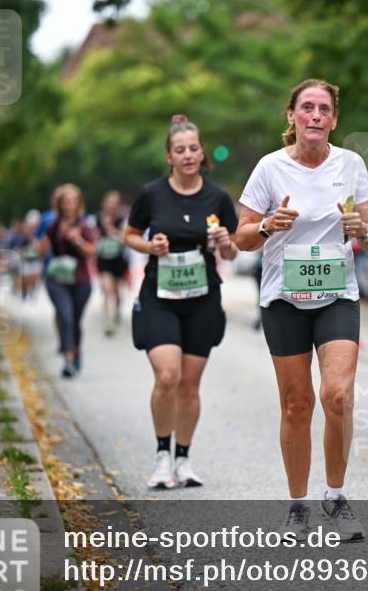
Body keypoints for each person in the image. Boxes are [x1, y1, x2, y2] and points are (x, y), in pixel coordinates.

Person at [235, 79, 368, 541]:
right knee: (297, 405)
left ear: (334, 119)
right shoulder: (269, 169)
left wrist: (362, 228)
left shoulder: (350, 164)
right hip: (284, 300)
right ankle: (297, 507)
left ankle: (335, 497)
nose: (315, 116)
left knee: (337, 396)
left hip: (337, 295)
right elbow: (240, 238)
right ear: (292, 116)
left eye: (324, 109)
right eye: (307, 108)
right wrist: (266, 225)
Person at [124, 115, 238, 490]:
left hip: (202, 298)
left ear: (202, 153)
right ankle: (161, 456)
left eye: (193, 148)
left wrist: (224, 243)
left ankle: (184, 459)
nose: (188, 155)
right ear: (169, 156)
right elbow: (130, 234)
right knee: (167, 375)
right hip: (160, 295)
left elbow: (235, 251)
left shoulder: (217, 197)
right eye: (180, 150)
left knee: (189, 385)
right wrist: (149, 246)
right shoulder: (152, 194)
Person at [36, 183, 98, 378]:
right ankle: (68, 359)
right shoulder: (52, 225)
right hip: (56, 278)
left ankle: (77, 350)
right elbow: (41, 247)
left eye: (73, 201)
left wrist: (77, 240)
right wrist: (41, 247)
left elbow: (92, 251)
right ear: (59, 204)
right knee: (65, 316)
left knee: (75, 321)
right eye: (65, 201)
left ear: (78, 203)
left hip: (80, 280)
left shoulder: (85, 225)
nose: (69, 205)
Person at [96, 191, 129, 337]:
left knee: (116, 291)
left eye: (114, 203)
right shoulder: (97, 218)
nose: (111, 205)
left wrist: (111, 230)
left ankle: (117, 311)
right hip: (103, 259)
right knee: (107, 290)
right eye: (109, 202)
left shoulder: (121, 219)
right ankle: (107, 322)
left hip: (118, 259)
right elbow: (93, 237)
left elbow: (125, 238)